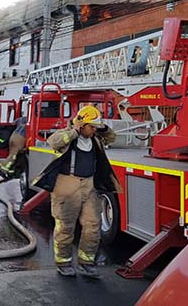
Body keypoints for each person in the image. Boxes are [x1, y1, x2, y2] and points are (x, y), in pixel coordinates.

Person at [33, 105, 122, 278]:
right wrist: (74, 131)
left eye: (96, 127)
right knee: (65, 226)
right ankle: (63, 262)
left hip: (89, 185)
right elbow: (54, 141)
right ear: (81, 125)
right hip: (67, 184)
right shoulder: (67, 136)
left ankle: (86, 261)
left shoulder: (96, 138)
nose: (94, 129)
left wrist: (102, 128)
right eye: (91, 126)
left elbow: (112, 138)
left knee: (93, 225)